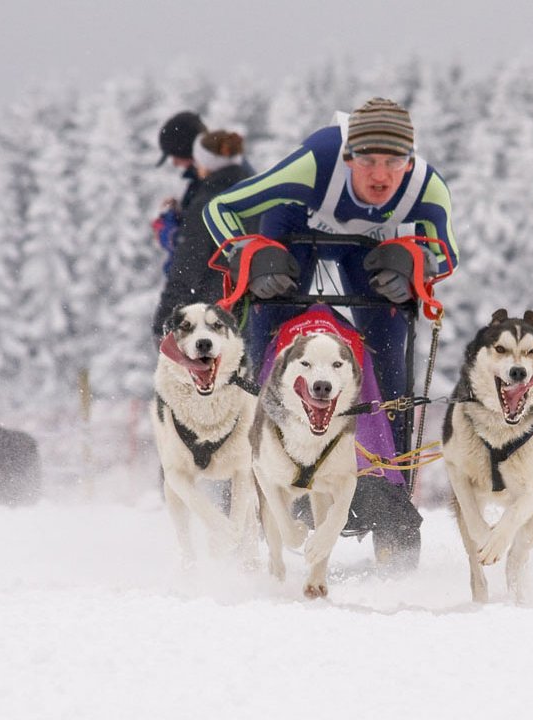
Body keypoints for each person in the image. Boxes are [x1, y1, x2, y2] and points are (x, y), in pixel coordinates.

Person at [203, 97, 458, 567]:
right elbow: (221, 209)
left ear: (410, 161)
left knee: (386, 360)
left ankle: (387, 495)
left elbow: (448, 252)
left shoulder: (427, 185)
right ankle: (255, 486)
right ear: (348, 157)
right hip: (292, 229)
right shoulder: (314, 164)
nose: (380, 175)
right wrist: (248, 255)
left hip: (371, 249)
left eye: (393, 162)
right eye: (368, 161)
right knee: (270, 358)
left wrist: (418, 263)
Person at [152, 129, 256, 338]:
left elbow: (187, 266)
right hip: (251, 312)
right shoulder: (254, 194)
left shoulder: (206, 204)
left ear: (207, 164)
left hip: (212, 316)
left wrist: (165, 318)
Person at [151, 111, 209, 273]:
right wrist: (180, 213)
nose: (175, 163)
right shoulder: (201, 182)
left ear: (189, 152)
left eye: (175, 156)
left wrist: (168, 233)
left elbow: (197, 245)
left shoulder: (213, 183)